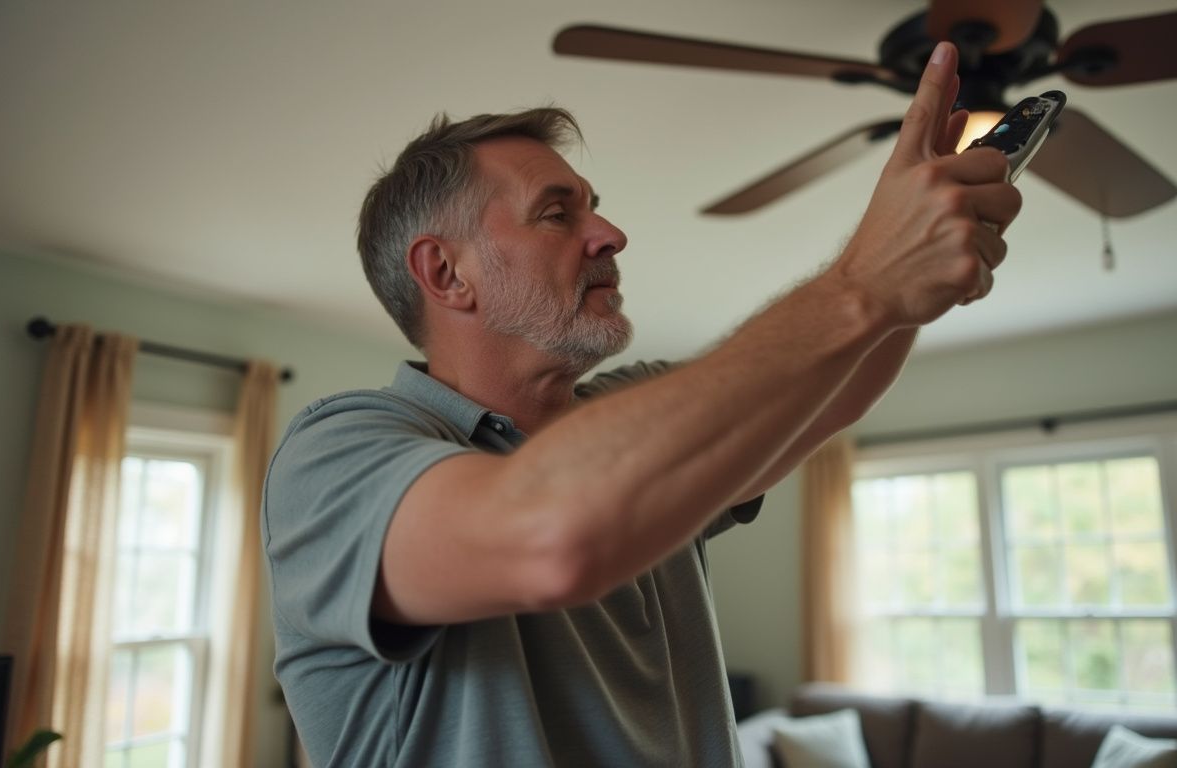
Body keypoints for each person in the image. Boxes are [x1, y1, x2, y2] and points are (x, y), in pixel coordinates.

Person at [263, 40, 1020, 766]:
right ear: (445, 272)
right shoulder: (337, 454)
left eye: (595, 208)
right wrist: (861, 283)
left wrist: (914, 270)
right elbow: (550, 534)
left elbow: (830, 393)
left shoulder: (632, 406)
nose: (611, 235)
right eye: (558, 214)